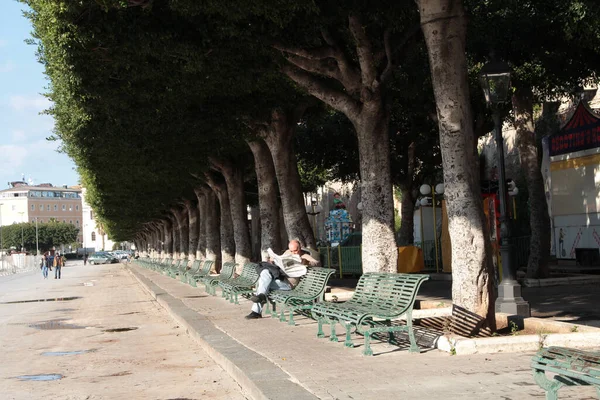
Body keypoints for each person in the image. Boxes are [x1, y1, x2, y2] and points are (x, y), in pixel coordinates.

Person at [245, 239, 320, 320]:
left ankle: (256, 311)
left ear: (300, 248)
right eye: (291, 251)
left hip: (288, 284)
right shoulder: (287, 253)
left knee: (263, 285)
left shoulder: (304, 256)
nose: (293, 253)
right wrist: (273, 260)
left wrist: (309, 262)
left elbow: (315, 262)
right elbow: (280, 260)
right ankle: (261, 298)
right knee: (265, 272)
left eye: (295, 251)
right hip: (280, 279)